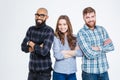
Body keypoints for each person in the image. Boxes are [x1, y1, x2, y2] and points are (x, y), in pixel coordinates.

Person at [77, 7, 114, 80]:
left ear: (95, 16)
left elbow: (111, 47)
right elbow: (89, 54)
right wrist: (103, 47)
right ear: (83, 18)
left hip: (104, 71)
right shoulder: (81, 33)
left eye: (92, 16)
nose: (90, 19)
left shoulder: (102, 29)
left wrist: (97, 48)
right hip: (89, 74)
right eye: (87, 17)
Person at [21, 8, 54, 80]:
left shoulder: (49, 31)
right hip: (32, 72)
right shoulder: (31, 29)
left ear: (46, 17)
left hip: (44, 73)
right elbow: (23, 47)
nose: (39, 17)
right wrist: (38, 46)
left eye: (42, 15)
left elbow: (44, 52)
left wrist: (32, 44)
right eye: (37, 15)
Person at [52, 15, 82, 80]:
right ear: (57, 26)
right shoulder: (56, 38)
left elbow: (80, 53)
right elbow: (57, 55)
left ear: (68, 25)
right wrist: (73, 52)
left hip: (72, 73)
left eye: (64, 24)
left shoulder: (75, 37)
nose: (62, 27)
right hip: (59, 73)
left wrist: (64, 52)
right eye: (60, 24)